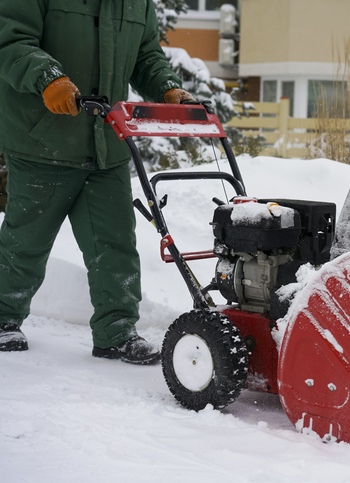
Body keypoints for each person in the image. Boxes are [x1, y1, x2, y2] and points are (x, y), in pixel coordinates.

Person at [0, 0, 194, 364]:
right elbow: (10, 40)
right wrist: (48, 77)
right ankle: (2, 318)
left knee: (115, 243)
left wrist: (167, 88)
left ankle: (117, 333)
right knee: (26, 240)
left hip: (106, 142)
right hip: (41, 139)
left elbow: (146, 55)